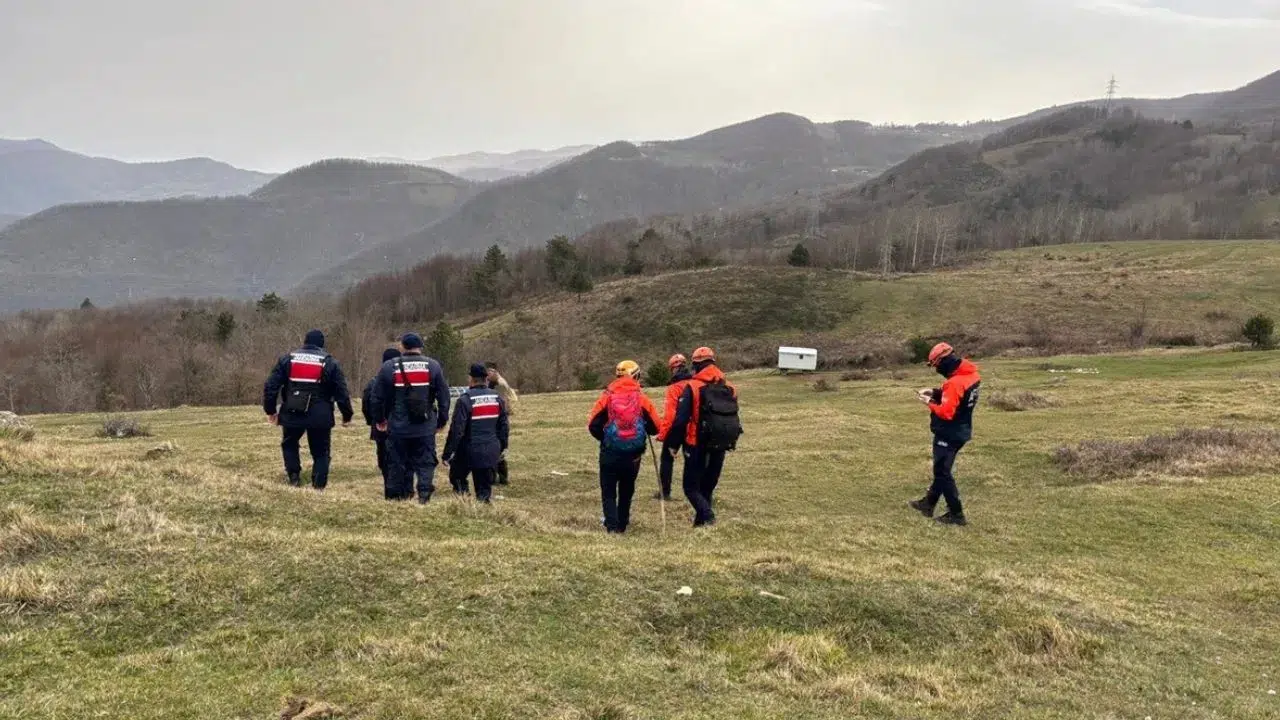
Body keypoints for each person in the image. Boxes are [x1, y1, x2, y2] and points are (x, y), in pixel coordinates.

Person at [262, 329, 354, 490]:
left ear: (304, 342)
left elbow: (271, 386)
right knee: (321, 452)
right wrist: (347, 414)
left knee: (289, 444)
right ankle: (318, 486)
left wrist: (270, 410)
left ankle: (294, 477)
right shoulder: (330, 362)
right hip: (321, 415)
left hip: (292, 411)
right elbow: (342, 392)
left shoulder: (288, 359)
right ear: (322, 345)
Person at [663, 347, 742, 527]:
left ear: (696, 365)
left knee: (690, 487)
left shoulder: (693, 386)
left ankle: (707, 516)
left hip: (696, 443)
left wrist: (673, 445)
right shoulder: (729, 387)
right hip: (721, 442)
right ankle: (700, 524)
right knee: (707, 486)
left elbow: (681, 420)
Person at [369, 333, 451, 503]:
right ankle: (424, 495)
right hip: (425, 426)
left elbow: (376, 398)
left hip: (398, 427)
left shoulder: (389, 367)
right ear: (420, 347)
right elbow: (444, 397)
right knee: (426, 463)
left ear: (402, 347)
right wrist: (441, 421)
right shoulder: (433, 366)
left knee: (396, 462)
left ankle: (395, 498)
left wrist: (380, 420)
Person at [909, 342, 981, 526]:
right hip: (962, 430)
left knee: (942, 472)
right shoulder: (971, 375)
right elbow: (957, 397)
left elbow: (947, 412)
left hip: (949, 433)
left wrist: (929, 402)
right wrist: (935, 392)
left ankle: (956, 514)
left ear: (943, 361)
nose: (936, 369)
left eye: (936, 365)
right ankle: (928, 503)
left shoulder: (954, 382)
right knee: (942, 469)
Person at [587, 360, 660, 534]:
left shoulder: (607, 397)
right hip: (633, 456)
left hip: (610, 453)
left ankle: (611, 527)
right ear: (636, 376)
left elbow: (593, 425)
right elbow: (656, 427)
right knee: (627, 490)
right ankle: (622, 524)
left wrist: (606, 439)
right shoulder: (641, 398)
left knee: (609, 491)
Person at [443, 364, 510, 503]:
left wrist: (448, 452)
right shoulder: (497, 398)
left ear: (471, 379)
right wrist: (502, 446)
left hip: (468, 449)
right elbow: (504, 426)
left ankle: (464, 503)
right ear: (486, 379)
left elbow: (457, 430)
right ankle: (484, 509)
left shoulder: (465, 399)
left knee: (457, 477)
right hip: (491, 448)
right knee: (484, 489)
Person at [654, 353, 693, 501]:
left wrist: (663, 434)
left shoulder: (673, 388)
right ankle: (695, 492)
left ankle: (665, 492)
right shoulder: (695, 384)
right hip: (693, 430)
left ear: (673, 369)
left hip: (676, 430)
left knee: (667, 459)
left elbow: (670, 415)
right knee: (692, 461)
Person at [362, 347, 401, 489]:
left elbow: (367, 403)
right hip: (402, 425)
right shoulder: (404, 380)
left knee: (384, 459)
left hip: (381, 427)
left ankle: (389, 487)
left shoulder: (374, 382)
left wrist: (371, 421)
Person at [485, 362, 518, 486]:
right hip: (499, 419)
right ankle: (497, 476)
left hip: (500, 420)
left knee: (499, 448)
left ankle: (500, 477)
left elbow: (501, 403)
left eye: (489, 372)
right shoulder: (494, 383)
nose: (487, 374)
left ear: (494, 372)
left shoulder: (499, 384)